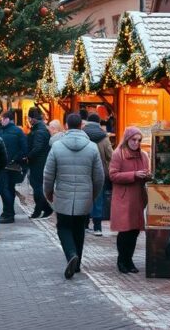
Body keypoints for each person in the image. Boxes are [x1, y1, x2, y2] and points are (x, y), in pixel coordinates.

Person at [43, 113, 105, 280]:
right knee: (79, 228)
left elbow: (48, 175)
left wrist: (48, 193)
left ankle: (71, 254)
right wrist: (93, 195)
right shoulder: (92, 147)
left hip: (63, 195)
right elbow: (99, 177)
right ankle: (77, 263)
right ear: (81, 126)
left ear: (66, 126)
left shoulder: (57, 146)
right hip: (85, 196)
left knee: (63, 227)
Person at [110, 127, 150, 273]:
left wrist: (147, 175)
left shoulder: (143, 155)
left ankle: (129, 260)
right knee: (125, 231)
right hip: (123, 198)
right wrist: (134, 174)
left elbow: (146, 173)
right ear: (127, 139)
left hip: (138, 197)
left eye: (139, 140)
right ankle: (122, 261)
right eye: (134, 139)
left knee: (134, 231)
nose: (136, 143)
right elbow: (113, 175)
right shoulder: (118, 154)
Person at [84, 113, 114, 235]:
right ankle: (97, 227)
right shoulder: (104, 137)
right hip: (99, 172)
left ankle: (85, 225)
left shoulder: (82, 135)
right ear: (99, 123)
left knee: (85, 198)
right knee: (98, 199)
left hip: (84, 172)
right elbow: (110, 155)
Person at [0, 111, 28, 223]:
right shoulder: (1, 130)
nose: (0, 120)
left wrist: (15, 159)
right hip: (4, 165)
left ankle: (9, 214)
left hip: (11, 166)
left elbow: (24, 149)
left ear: (7, 119)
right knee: (7, 189)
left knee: (5, 189)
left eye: (2, 118)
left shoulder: (16, 131)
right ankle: (8, 212)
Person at [26, 107, 53, 219]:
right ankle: (44, 209)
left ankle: (41, 209)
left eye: (29, 118)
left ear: (32, 118)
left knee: (37, 187)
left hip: (39, 163)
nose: (28, 120)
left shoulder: (39, 130)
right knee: (37, 186)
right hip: (39, 162)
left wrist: (28, 156)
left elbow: (38, 147)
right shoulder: (39, 128)